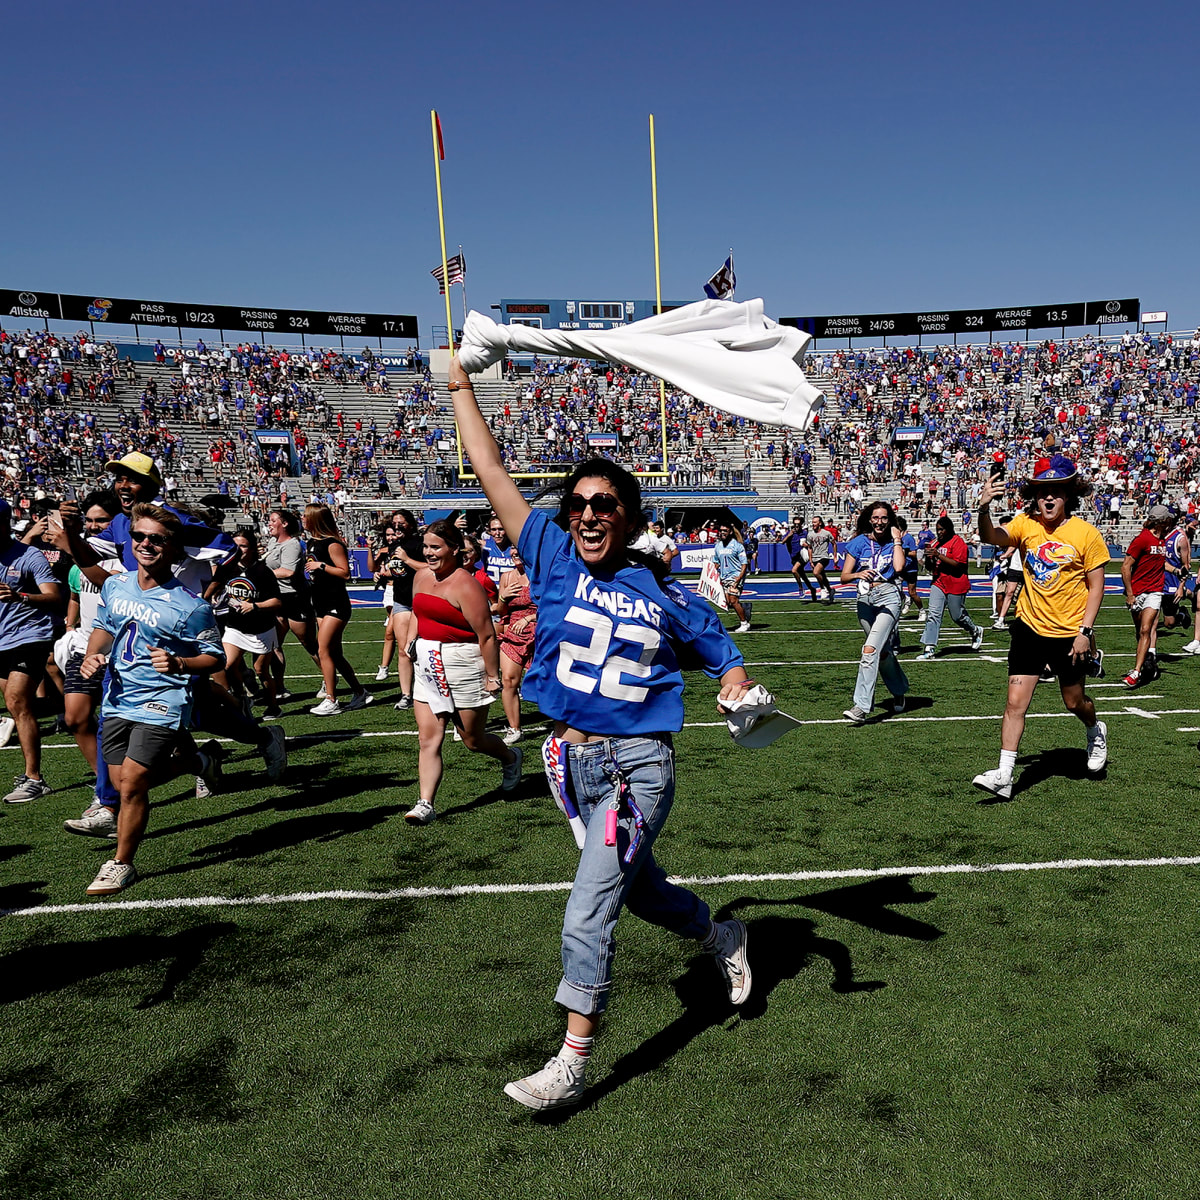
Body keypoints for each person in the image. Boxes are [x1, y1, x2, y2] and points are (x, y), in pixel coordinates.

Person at [446, 357, 754, 1113]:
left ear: (630, 517)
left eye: (606, 503)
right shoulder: (549, 553)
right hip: (567, 762)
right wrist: (459, 385)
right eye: (579, 501)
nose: (588, 512)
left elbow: (724, 653)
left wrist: (736, 685)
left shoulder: (663, 591)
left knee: (589, 905)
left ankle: (572, 1058)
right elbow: (488, 468)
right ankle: (722, 936)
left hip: (637, 768)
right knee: (640, 890)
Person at [80, 504, 225, 896]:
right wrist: (95, 655)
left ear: (174, 549)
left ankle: (120, 863)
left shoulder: (191, 606)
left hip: (162, 700)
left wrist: (179, 662)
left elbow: (216, 656)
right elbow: (104, 626)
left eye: (156, 539)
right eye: (139, 536)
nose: (146, 544)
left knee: (131, 785)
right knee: (119, 780)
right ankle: (199, 760)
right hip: (118, 698)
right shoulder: (115, 585)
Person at [972, 455, 1108, 801]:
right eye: (1042, 491)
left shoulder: (1086, 534)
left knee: (1073, 702)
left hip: (1069, 634)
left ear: (1069, 496)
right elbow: (993, 538)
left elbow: (1097, 587)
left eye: (1057, 492)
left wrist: (1085, 632)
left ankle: (1095, 729)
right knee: (1014, 703)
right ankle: (1004, 775)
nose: (1048, 498)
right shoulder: (1025, 524)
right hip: (1028, 629)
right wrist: (983, 508)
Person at [402, 519, 522, 825]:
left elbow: (486, 634)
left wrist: (491, 676)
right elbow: (418, 612)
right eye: (426, 546)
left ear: (454, 550)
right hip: (428, 661)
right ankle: (425, 803)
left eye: (436, 547)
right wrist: (412, 639)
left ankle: (510, 758)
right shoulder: (420, 577)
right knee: (429, 738)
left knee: (472, 739)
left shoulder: (466, 585)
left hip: (464, 661)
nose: (429, 553)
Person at [0, 498, 63, 803]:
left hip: (30, 635)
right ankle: (63, 706)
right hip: (1, 639)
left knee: (16, 699)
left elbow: (54, 596)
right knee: (15, 705)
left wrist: (20, 596)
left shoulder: (29, 555)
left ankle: (34, 778)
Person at [839, 501, 910, 724]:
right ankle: (899, 689)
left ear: (890, 520)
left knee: (869, 650)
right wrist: (858, 575)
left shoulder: (895, 541)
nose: (879, 522)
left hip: (889, 596)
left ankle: (861, 706)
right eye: (876, 518)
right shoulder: (858, 542)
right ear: (870, 519)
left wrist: (897, 539)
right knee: (882, 652)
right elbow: (844, 576)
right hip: (865, 600)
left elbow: (899, 568)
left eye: (884, 518)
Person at [303, 503, 373, 715]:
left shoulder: (333, 544)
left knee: (322, 649)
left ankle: (331, 699)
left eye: (306, 517)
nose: (303, 520)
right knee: (334, 653)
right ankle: (360, 692)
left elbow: (345, 573)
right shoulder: (311, 542)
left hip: (336, 603)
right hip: (320, 602)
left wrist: (321, 566)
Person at [210, 531, 283, 717]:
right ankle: (242, 697)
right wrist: (210, 596)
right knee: (227, 664)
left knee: (261, 670)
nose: (238, 550)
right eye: (235, 546)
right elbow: (215, 585)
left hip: (261, 628)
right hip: (235, 626)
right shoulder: (227, 567)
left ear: (252, 549)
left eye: (243, 546)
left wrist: (255, 606)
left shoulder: (262, 571)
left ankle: (273, 705)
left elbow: (277, 602)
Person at [263, 507, 318, 701]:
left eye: (272, 520)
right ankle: (279, 687)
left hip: (295, 598)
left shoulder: (293, 544)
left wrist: (262, 576)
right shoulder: (272, 542)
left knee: (309, 643)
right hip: (276, 599)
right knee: (275, 645)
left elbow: (288, 571)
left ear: (284, 523)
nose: (269, 524)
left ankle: (329, 680)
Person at [916, 517, 984, 659]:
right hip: (939, 581)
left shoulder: (958, 542)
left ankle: (975, 630)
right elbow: (930, 567)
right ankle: (929, 647)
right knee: (934, 614)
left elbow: (960, 565)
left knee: (957, 615)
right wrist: (928, 559)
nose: (939, 532)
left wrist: (938, 555)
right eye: (937, 529)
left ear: (949, 529)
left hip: (956, 582)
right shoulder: (935, 543)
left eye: (942, 529)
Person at [1120, 506, 1171, 689]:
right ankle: (1146, 662)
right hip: (1138, 592)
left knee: (1145, 630)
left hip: (1155, 592)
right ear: (1162, 521)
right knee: (1139, 631)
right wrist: (1131, 594)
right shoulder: (1142, 539)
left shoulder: (1162, 539)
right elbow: (1125, 567)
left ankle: (1136, 672)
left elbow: (1160, 563)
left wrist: (1177, 571)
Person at [496, 545, 536, 746]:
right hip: (513, 632)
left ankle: (561, 724)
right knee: (509, 680)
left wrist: (529, 619)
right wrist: (503, 597)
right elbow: (500, 609)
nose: (514, 553)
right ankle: (515, 728)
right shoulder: (506, 577)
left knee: (549, 681)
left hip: (539, 630)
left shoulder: (540, 572)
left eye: (518, 547)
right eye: (511, 548)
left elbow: (554, 605)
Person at [713, 523, 752, 632]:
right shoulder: (718, 546)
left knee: (733, 600)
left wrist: (738, 579)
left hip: (735, 576)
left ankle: (744, 623)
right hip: (724, 577)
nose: (722, 533)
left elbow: (744, 564)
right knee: (727, 603)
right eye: (721, 530)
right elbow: (716, 562)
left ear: (730, 532)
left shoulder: (738, 546)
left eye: (725, 530)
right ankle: (745, 608)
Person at [896, 516, 923, 619]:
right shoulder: (898, 538)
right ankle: (906, 599)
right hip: (901, 568)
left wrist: (905, 552)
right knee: (894, 587)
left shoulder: (908, 538)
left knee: (912, 592)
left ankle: (921, 610)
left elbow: (914, 553)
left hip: (911, 569)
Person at [785, 519, 818, 601]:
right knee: (803, 575)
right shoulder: (791, 533)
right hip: (793, 556)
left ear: (801, 524)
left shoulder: (805, 533)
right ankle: (812, 589)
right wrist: (789, 535)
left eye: (798, 524)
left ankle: (800, 587)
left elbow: (811, 545)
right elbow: (782, 541)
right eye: (795, 524)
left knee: (794, 570)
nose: (796, 526)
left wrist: (805, 545)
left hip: (802, 555)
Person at [806, 515, 836, 604]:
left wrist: (835, 556)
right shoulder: (810, 534)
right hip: (815, 557)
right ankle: (830, 590)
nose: (813, 524)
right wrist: (810, 560)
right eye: (812, 522)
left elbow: (834, 543)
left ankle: (823, 589)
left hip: (824, 557)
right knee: (823, 576)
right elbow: (810, 548)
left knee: (816, 572)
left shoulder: (826, 533)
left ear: (820, 523)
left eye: (815, 522)